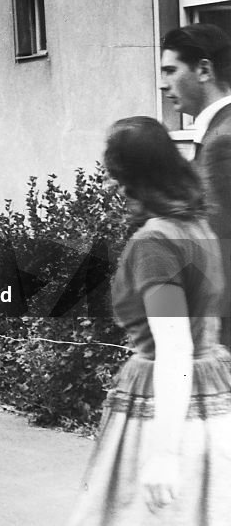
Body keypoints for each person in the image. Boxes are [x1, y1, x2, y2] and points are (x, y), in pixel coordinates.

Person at [68, 116, 231, 524]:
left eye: (115, 176)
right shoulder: (200, 228)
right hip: (215, 403)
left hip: (166, 410)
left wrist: (164, 454)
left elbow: (175, 347)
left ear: (134, 179)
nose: (113, 188)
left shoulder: (155, 242)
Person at [159, 23, 231, 349]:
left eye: (171, 70)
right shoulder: (216, 133)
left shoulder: (222, 140)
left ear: (203, 70)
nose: (164, 84)